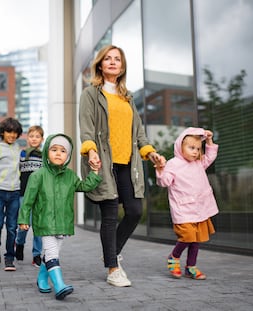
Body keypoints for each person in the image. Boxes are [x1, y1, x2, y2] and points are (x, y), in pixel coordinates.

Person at [78, 45, 166, 287]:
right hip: (104, 163)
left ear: (122, 67)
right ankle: (113, 269)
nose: (113, 62)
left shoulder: (128, 97)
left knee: (135, 211)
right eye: (108, 58)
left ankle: (111, 250)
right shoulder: (91, 94)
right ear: (100, 64)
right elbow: (86, 128)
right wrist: (91, 150)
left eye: (117, 59)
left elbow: (139, 134)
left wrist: (152, 153)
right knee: (109, 216)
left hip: (128, 163)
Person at [18, 133, 102, 300]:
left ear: (68, 156)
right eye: (54, 149)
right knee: (52, 253)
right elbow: (27, 200)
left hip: (63, 223)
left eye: (63, 151)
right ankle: (59, 285)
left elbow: (85, 186)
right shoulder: (38, 175)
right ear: (46, 153)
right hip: (45, 221)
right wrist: (23, 219)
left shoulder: (70, 176)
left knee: (52, 253)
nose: (58, 153)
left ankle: (42, 278)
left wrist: (94, 171)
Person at [155, 127, 219, 280]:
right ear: (180, 147)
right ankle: (174, 256)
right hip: (183, 209)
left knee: (196, 239)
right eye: (191, 148)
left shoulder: (198, 163)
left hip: (199, 208)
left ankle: (191, 267)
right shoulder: (173, 164)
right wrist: (160, 168)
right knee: (188, 236)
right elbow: (164, 182)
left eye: (198, 148)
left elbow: (210, 157)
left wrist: (209, 141)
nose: (195, 151)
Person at [0, 117, 23, 271]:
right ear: (2, 132)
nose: (12, 135)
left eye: (15, 132)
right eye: (9, 132)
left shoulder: (18, 148)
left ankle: (9, 257)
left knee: (12, 227)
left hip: (14, 192)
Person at [15, 125, 44, 267]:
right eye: (31, 136)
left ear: (42, 139)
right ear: (27, 138)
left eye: (37, 136)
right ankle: (19, 243)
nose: (34, 139)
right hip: (24, 195)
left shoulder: (44, 156)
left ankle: (36, 255)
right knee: (24, 225)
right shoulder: (21, 154)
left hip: (39, 197)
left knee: (38, 227)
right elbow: (16, 173)